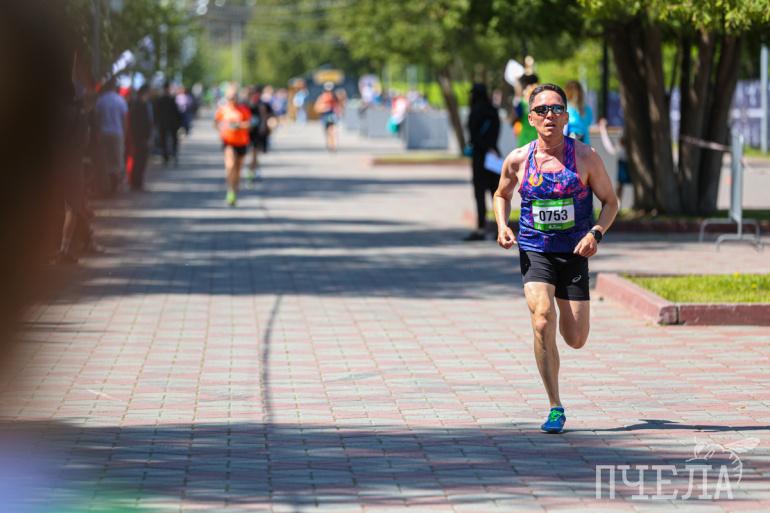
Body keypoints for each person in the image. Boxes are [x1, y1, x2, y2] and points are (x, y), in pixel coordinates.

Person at [493, 84, 619, 434]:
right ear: (531, 118)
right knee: (542, 319)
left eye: (557, 109)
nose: (550, 115)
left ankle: (562, 320)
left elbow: (611, 202)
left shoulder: (586, 157)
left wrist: (596, 233)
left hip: (575, 252)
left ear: (566, 117)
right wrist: (503, 225)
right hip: (535, 249)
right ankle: (555, 406)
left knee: (575, 337)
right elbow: (501, 194)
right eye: (542, 110)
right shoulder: (518, 159)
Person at [464, 83, 501, 241]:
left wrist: (481, 146)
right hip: (493, 155)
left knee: (480, 194)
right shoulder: (493, 110)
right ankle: (500, 228)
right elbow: (496, 131)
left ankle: (480, 228)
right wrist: (491, 146)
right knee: (496, 193)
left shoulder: (475, 112)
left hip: (480, 156)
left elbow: (473, 136)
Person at [215, 86, 251, 207]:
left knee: (238, 169)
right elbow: (216, 124)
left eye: (234, 97)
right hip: (229, 142)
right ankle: (230, 190)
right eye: (230, 98)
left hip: (242, 142)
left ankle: (235, 190)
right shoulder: (223, 110)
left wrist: (239, 125)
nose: (232, 100)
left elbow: (249, 124)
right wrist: (222, 128)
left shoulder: (243, 110)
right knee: (230, 166)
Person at [94, 79, 128, 194]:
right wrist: (124, 133)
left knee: (106, 160)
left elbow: (97, 119)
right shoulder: (120, 100)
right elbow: (124, 119)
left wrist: (98, 132)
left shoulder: (101, 100)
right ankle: (116, 185)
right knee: (117, 160)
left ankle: (107, 185)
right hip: (117, 133)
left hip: (104, 132)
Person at [128, 85, 154, 191]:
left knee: (139, 160)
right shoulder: (140, 105)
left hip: (140, 137)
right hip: (141, 137)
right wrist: (145, 136)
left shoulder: (140, 104)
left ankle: (136, 182)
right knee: (140, 160)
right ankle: (137, 182)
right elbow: (141, 123)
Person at [154, 81, 181, 166]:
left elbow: (156, 112)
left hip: (165, 123)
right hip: (170, 123)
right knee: (171, 139)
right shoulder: (170, 99)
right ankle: (172, 154)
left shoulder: (162, 99)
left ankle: (167, 156)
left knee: (165, 140)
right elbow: (177, 112)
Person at [314, 82, 340, 152]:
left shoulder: (334, 97)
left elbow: (338, 106)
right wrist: (324, 108)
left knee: (332, 130)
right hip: (325, 115)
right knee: (327, 131)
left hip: (331, 115)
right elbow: (316, 107)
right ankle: (330, 144)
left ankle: (333, 145)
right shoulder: (322, 97)